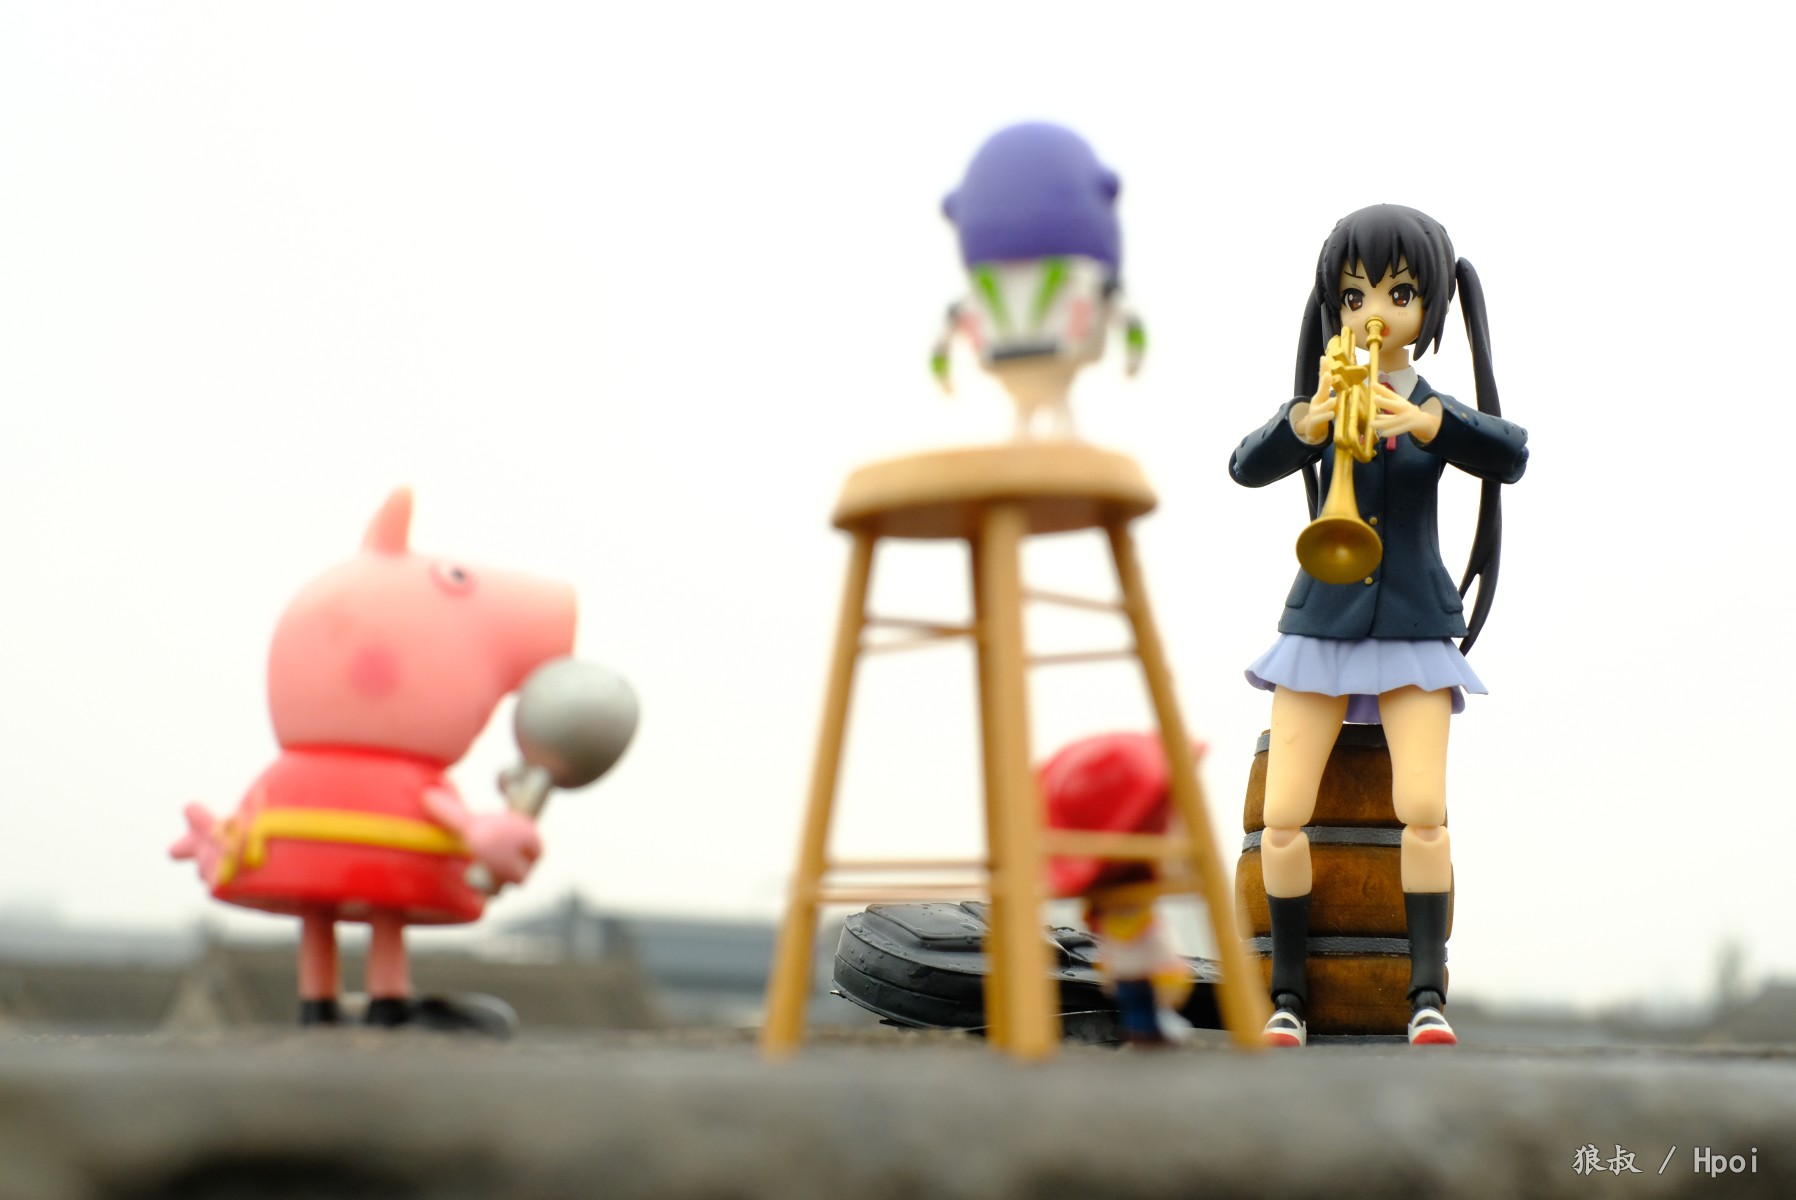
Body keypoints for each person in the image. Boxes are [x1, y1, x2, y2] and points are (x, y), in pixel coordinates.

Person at [1228, 205, 1529, 1047]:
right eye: (1355, 294)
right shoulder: (1326, 397)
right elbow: (1244, 466)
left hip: (1413, 622)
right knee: (1282, 814)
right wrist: (1304, 424)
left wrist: (1431, 423)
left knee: (1423, 808)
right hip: (1321, 621)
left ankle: (1425, 993)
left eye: (1398, 293)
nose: (1374, 313)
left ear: (1430, 304)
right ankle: (1288, 995)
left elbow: (1512, 453)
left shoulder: (1432, 407)